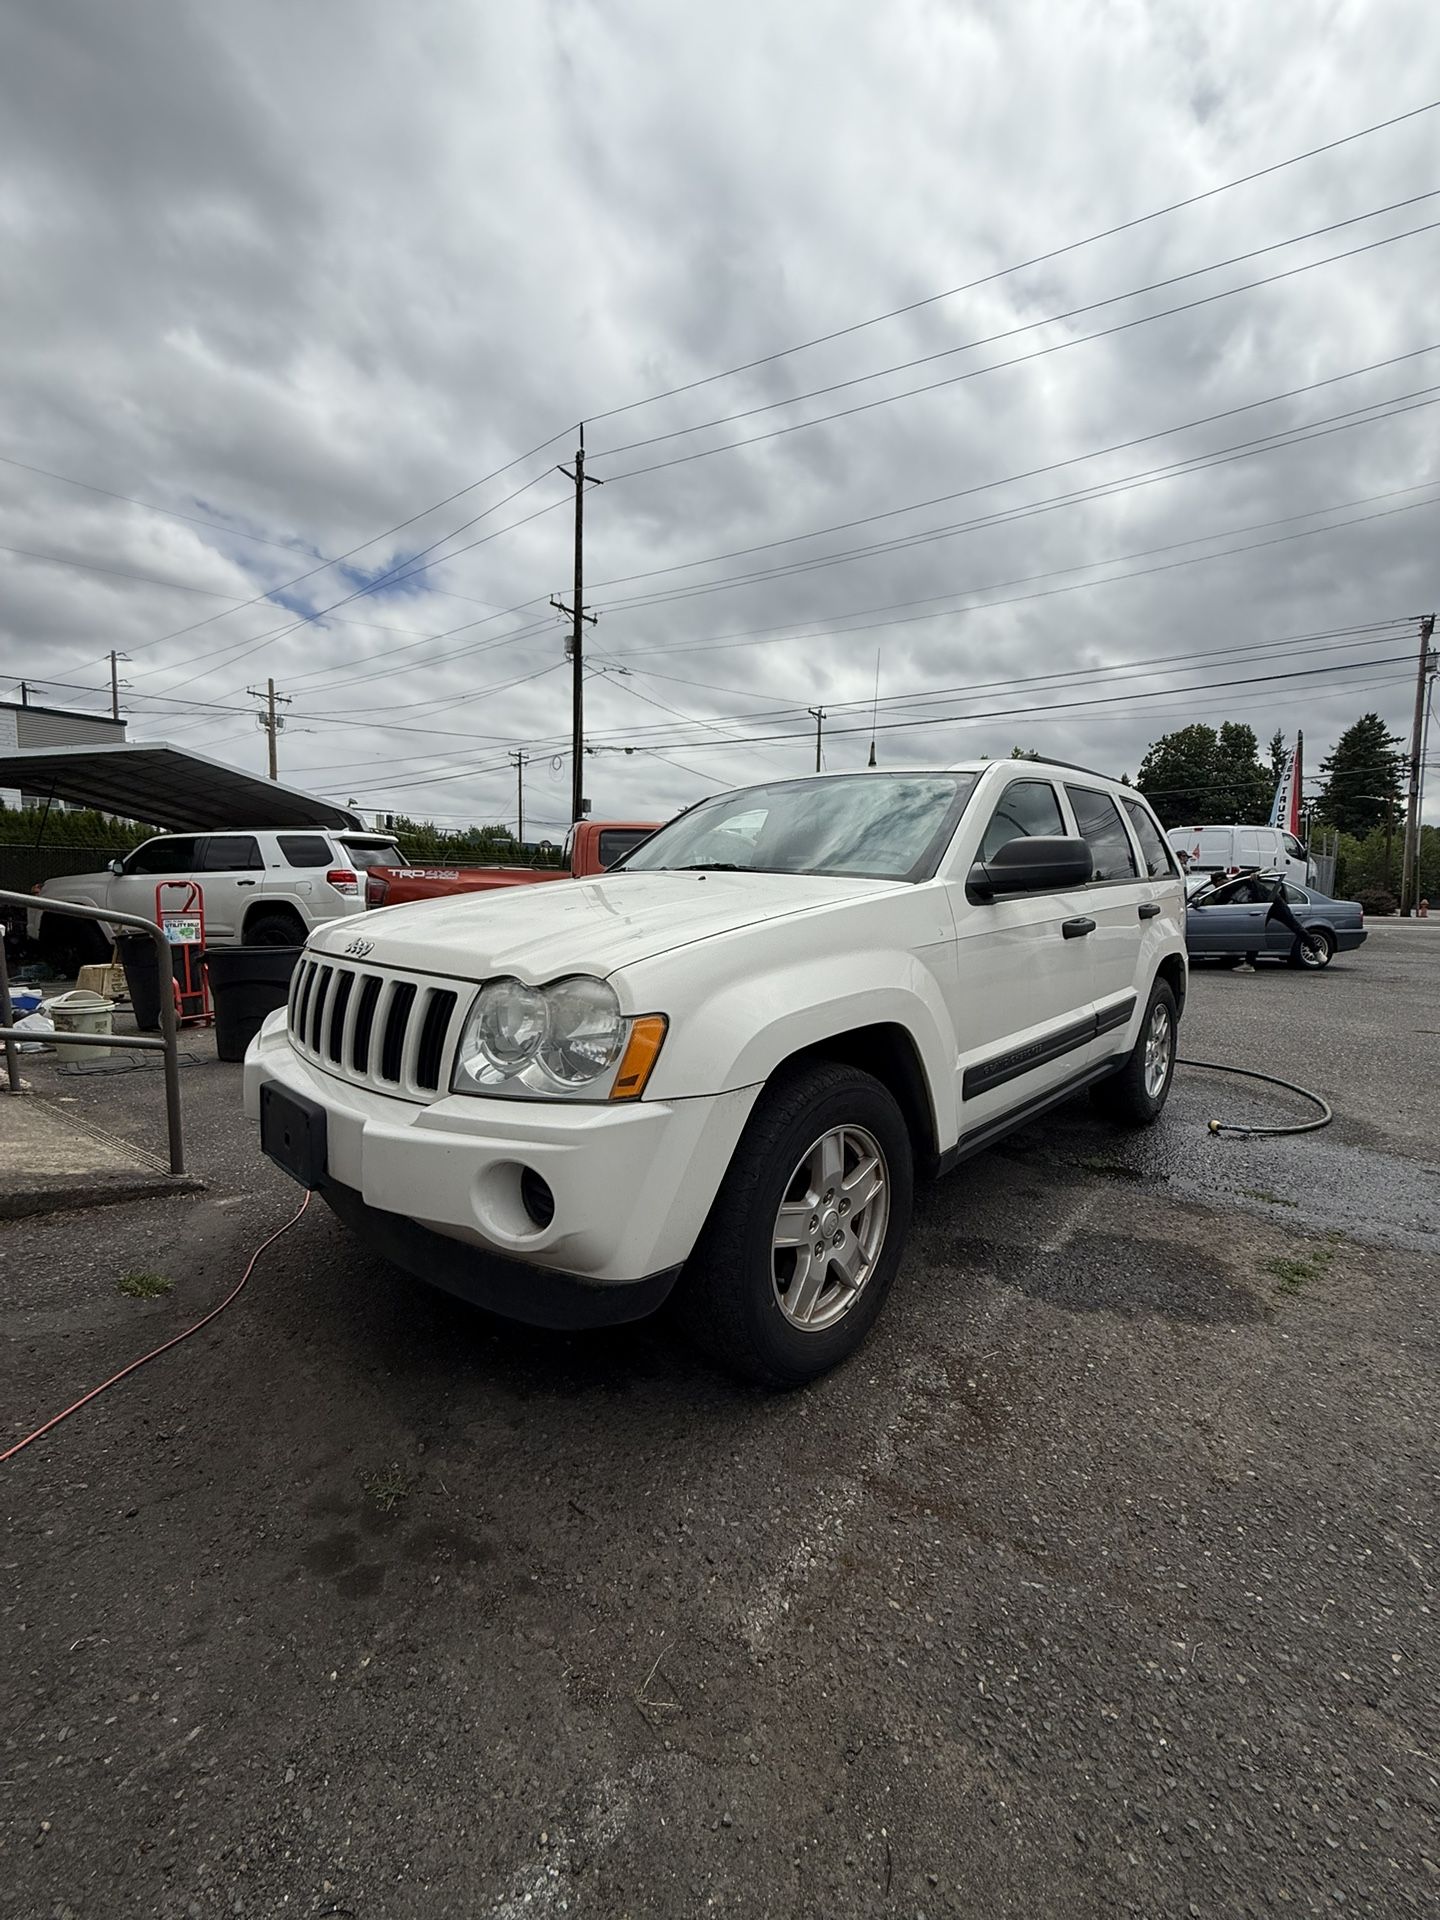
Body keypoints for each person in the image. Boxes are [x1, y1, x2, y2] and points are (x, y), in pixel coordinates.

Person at [1229, 869, 1318, 971]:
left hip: (1275, 903)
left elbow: (1267, 868)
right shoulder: (1226, 890)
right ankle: (1249, 964)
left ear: (1221, 880)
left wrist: (1257, 874)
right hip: (1261, 908)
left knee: (1295, 926)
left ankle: (1316, 950)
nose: (1218, 887)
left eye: (1217, 884)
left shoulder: (1241, 877)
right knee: (1256, 933)